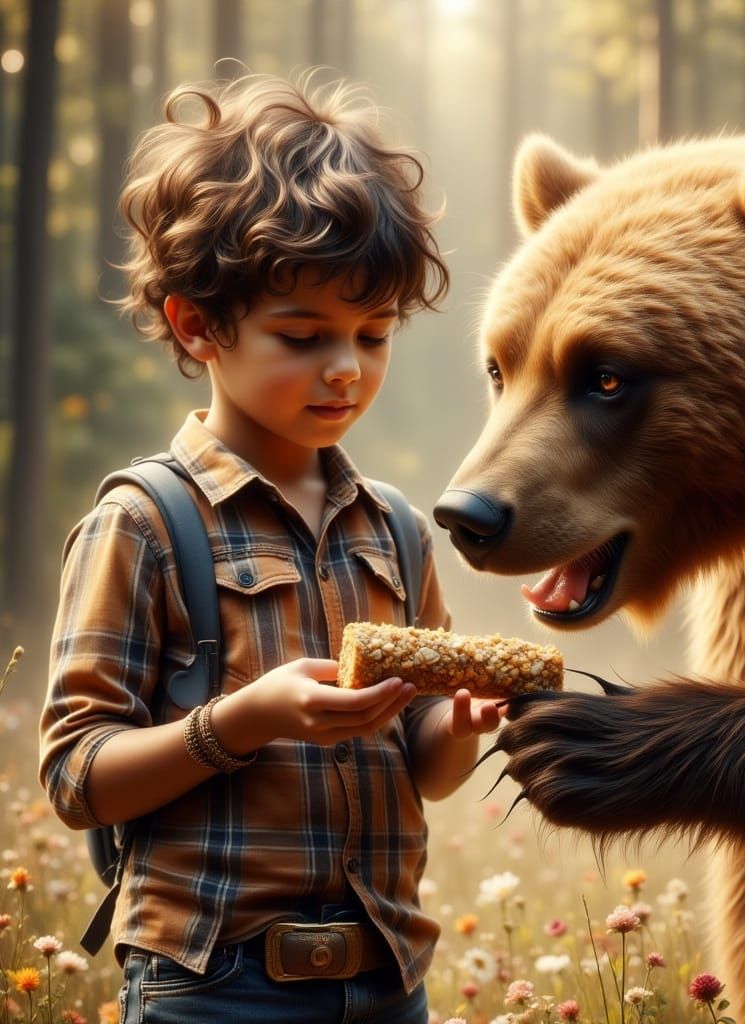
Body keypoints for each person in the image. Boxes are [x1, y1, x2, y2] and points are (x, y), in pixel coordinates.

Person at [39, 72, 500, 1024]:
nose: (346, 368)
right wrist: (240, 721)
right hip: (212, 989)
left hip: (385, 979)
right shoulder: (146, 524)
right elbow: (77, 776)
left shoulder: (398, 530)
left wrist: (456, 729)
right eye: (303, 335)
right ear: (197, 324)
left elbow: (420, 767)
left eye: (374, 335)